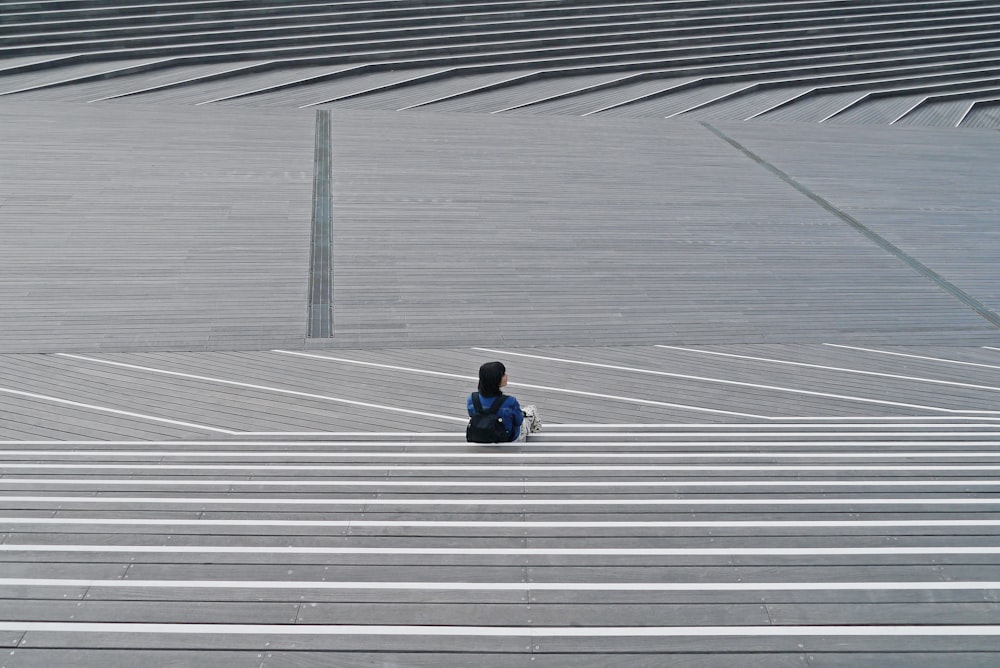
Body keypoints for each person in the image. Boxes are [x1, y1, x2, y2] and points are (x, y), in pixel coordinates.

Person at [467, 361, 540, 442]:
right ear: (496, 379)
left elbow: (471, 414)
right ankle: (535, 438)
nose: (506, 375)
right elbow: (519, 421)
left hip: (480, 437)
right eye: (503, 374)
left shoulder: (473, 399)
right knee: (531, 410)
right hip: (507, 440)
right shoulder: (510, 401)